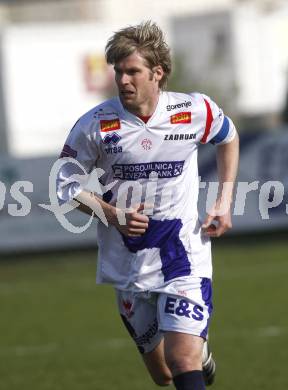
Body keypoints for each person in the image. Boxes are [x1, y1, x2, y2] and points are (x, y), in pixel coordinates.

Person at [57, 21, 239, 390]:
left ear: (158, 73)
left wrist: (223, 201)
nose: (123, 80)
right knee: (163, 374)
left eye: (132, 72)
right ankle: (200, 356)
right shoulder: (96, 125)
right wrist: (113, 215)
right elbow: (64, 188)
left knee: (180, 357)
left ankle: (193, 352)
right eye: (118, 72)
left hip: (182, 254)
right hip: (129, 265)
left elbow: (228, 136)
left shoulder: (194, 110)